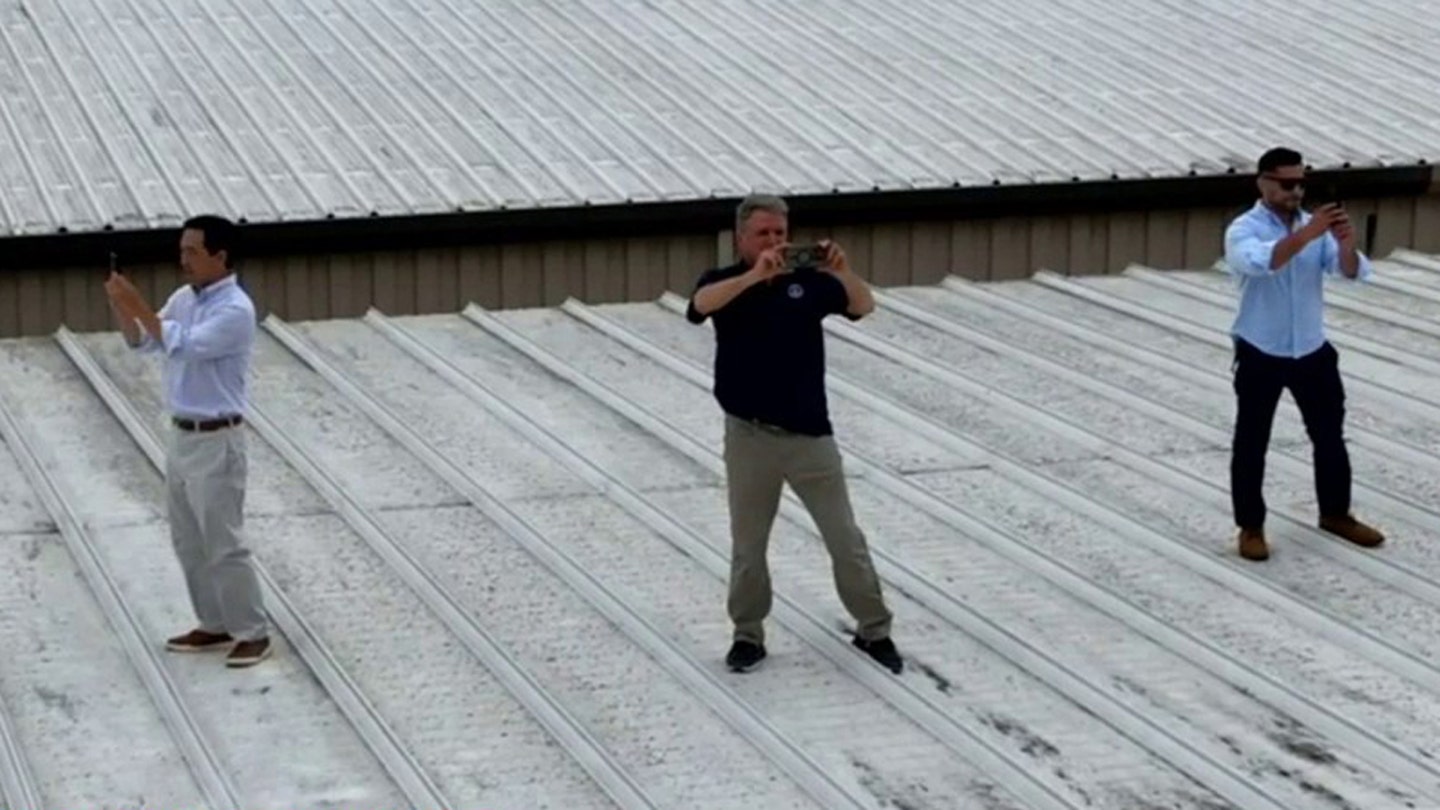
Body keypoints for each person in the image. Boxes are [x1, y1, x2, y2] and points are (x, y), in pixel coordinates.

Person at [686, 193, 901, 674]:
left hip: (811, 438)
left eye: (780, 234)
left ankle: (875, 629)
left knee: (845, 539)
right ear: (742, 237)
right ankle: (748, 635)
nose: (774, 242)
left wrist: (842, 272)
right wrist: (754, 276)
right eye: (763, 234)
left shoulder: (811, 283)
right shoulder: (724, 282)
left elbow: (863, 305)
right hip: (749, 438)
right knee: (749, 547)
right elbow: (699, 306)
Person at [104, 215, 271, 667]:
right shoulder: (184, 298)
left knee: (223, 539)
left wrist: (136, 304)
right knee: (188, 538)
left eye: (193, 252)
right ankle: (214, 622)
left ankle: (252, 629)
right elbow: (146, 343)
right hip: (182, 434)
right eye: (182, 251)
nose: (184, 260)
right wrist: (125, 308)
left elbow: (185, 345)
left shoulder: (235, 309)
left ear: (221, 256)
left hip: (218, 437)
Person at [1223, 147, 1386, 562]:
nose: (1296, 191)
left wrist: (1346, 243)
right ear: (1263, 182)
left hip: (1312, 348)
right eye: (1287, 183)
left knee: (1330, 434)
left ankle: (1335, 513)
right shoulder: (1244, 229)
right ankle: (1251, 526)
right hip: (1262, 348)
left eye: (1301, 183)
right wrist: (1309, 234)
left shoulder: (1315, 227)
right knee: (1252, 440)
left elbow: (1349, 272)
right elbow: (1262, 263)